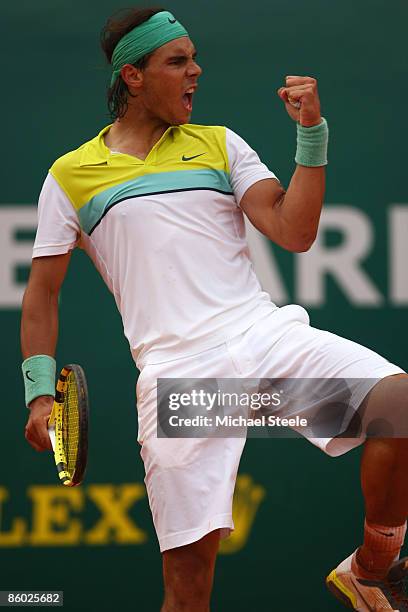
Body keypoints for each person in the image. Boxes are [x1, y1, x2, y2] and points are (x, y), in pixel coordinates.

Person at [20, 7, 408, 611]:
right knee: (188, 589)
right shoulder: (69, 177)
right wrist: (39, 393)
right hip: (183, 384)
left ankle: (371, 569)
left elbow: (294, 230)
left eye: (194, 57)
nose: (196, 71)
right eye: (178, 61)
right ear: (134, 77)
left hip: (263, 340)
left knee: (399, 407)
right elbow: (43, 292)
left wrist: (312, 135)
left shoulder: (220, 144)